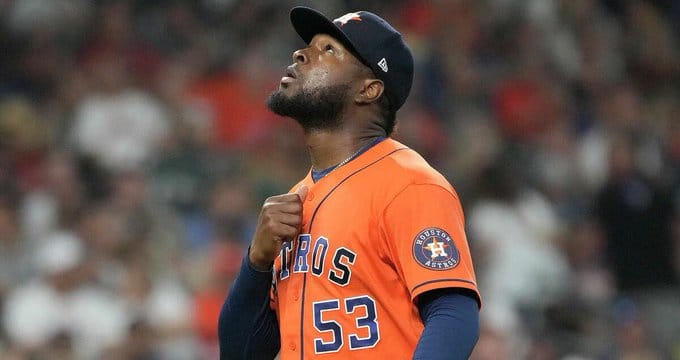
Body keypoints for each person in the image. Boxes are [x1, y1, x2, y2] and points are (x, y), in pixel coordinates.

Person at [218, 6, 481, 360]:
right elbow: (241, 353)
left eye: (329, 50)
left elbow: (453, 313)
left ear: (368, 90)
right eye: (310, 45)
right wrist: (257, 262)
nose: (301, 53)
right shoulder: (298, 196)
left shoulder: (409, 183)